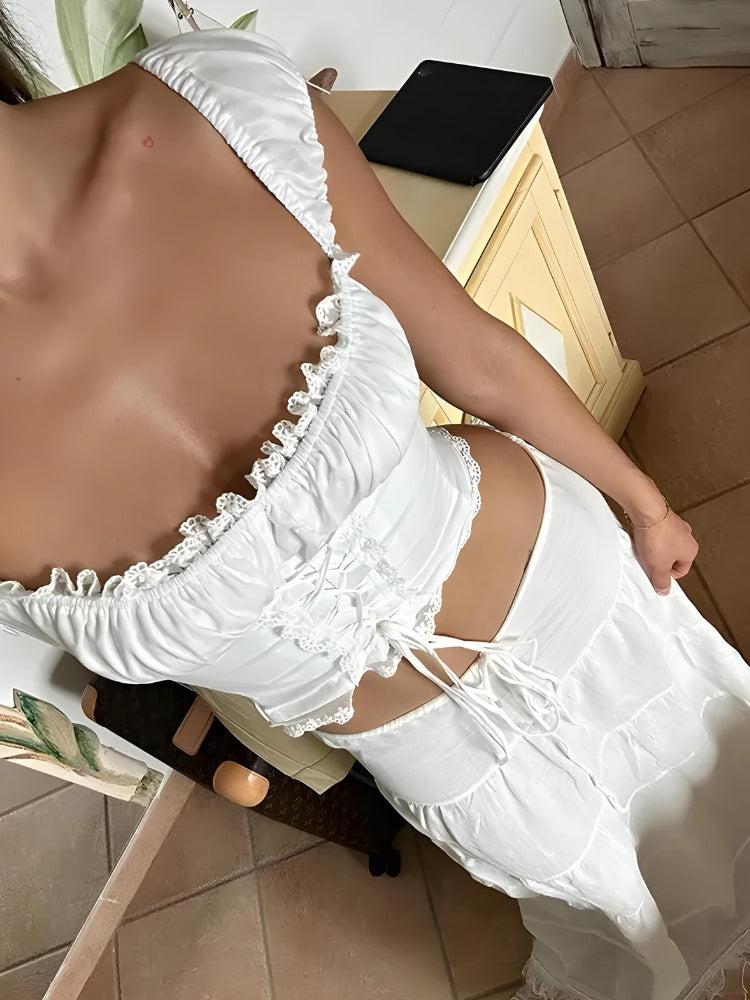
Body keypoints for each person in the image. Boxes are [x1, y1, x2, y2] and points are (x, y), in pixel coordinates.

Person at [1, 16, 748, 1000]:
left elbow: (474, 355)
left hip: (574, 590)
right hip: (450, 772)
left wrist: (645, 504)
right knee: (632, 926)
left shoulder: (216, 106)